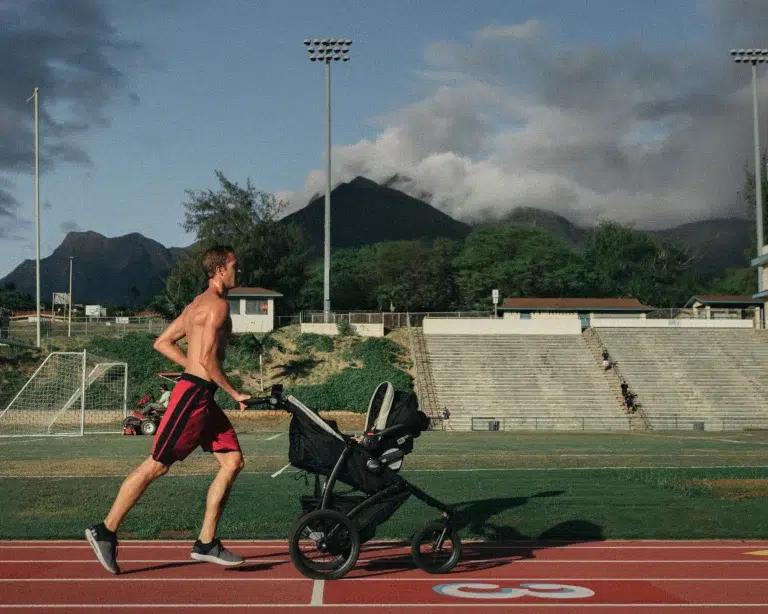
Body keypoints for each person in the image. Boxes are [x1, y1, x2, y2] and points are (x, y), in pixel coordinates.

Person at [85, 245, 251, 574]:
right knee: (156, 466)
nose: (238, 271)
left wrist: (197, 369)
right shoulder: (215, 307)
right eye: (234, 266)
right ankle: (105, 530)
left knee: (232, 461)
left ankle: (206, 542)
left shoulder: (196, 306)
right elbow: (205, 359)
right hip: (192, 397)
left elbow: (161, 342)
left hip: (203, 396)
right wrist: (235, 392)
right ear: (220, 270)